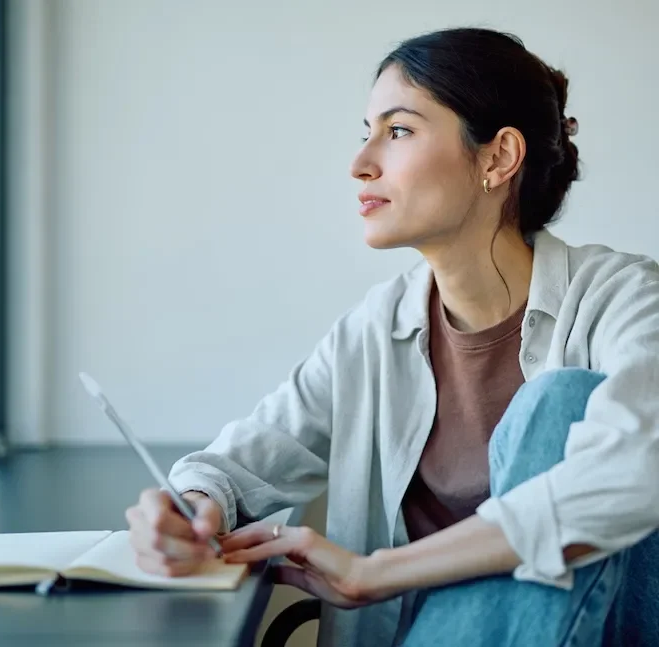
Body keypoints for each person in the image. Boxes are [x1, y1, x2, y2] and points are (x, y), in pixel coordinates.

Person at [125, 27, 659, 647]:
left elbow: (638, 467)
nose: (361, 164)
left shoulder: (625, 298)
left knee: (562, 406)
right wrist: (190, 507)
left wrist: (376, 573)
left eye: (398, 130)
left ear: (497, 158)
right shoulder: (372, 333)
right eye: (366, 132)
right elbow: (237, 464)